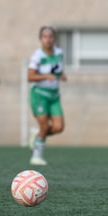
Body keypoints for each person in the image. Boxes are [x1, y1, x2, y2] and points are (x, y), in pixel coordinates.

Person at [28, 26, 66, 166]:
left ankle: (36, 135)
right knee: (44, 126)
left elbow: (57, 69)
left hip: (54, 96)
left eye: (51, 36)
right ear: (40, 39)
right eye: (45, 36)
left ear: (54, 39)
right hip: (39, 95)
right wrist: (45, 76)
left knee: (58, 127)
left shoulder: (60, 53)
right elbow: (30, 76)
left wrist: (61, 75)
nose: (48, 39)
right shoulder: (37, 56)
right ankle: (36, 156)